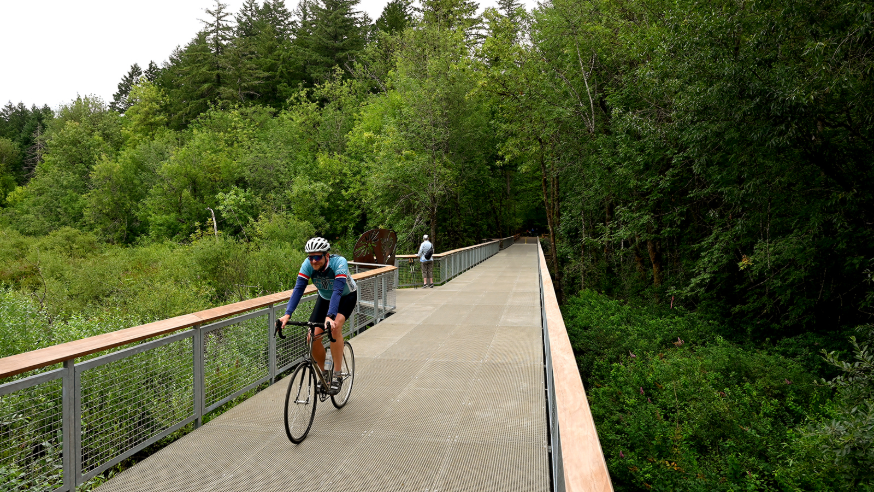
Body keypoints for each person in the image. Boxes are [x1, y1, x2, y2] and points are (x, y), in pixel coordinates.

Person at [278, 237, 357, 395]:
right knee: (311, 337)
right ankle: (325, 373)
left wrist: (330, 316)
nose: (314, 261)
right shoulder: (308, 265)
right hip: (325, 298)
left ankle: (337, 374)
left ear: (326, 255)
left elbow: (337, 290)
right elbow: (299, 289)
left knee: (334, 329)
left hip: (345, 297)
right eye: (310, 257)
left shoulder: (339, 262)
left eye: (317, 257)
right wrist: (287, 315)